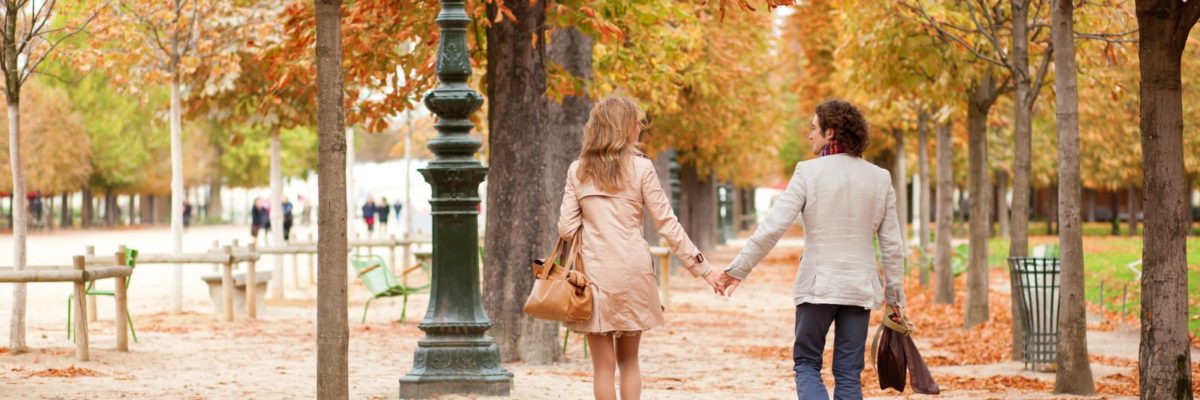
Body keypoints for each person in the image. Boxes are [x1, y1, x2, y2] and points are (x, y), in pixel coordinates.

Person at [714, 100, 906, 400]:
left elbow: (773, 226)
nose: (809, 135)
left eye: (813, 129)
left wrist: (738, 269)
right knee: (848, 373)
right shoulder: (879, 178)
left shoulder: (808, 172)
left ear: (830, 132)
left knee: (806, 364)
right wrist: (895, 298)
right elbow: (892, 245)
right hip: (859, 289)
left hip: (817, 287)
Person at [557, 96, 722, 400]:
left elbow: (566, 229)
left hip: (594, 275)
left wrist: (594, 228)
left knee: (602, 368)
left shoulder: (578, 171)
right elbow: (667, 223)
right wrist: (703, 269)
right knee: (629, 361)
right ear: (624, 129)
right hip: (633, 273)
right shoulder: (642, 169)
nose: (639, 130)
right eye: (636, 124)